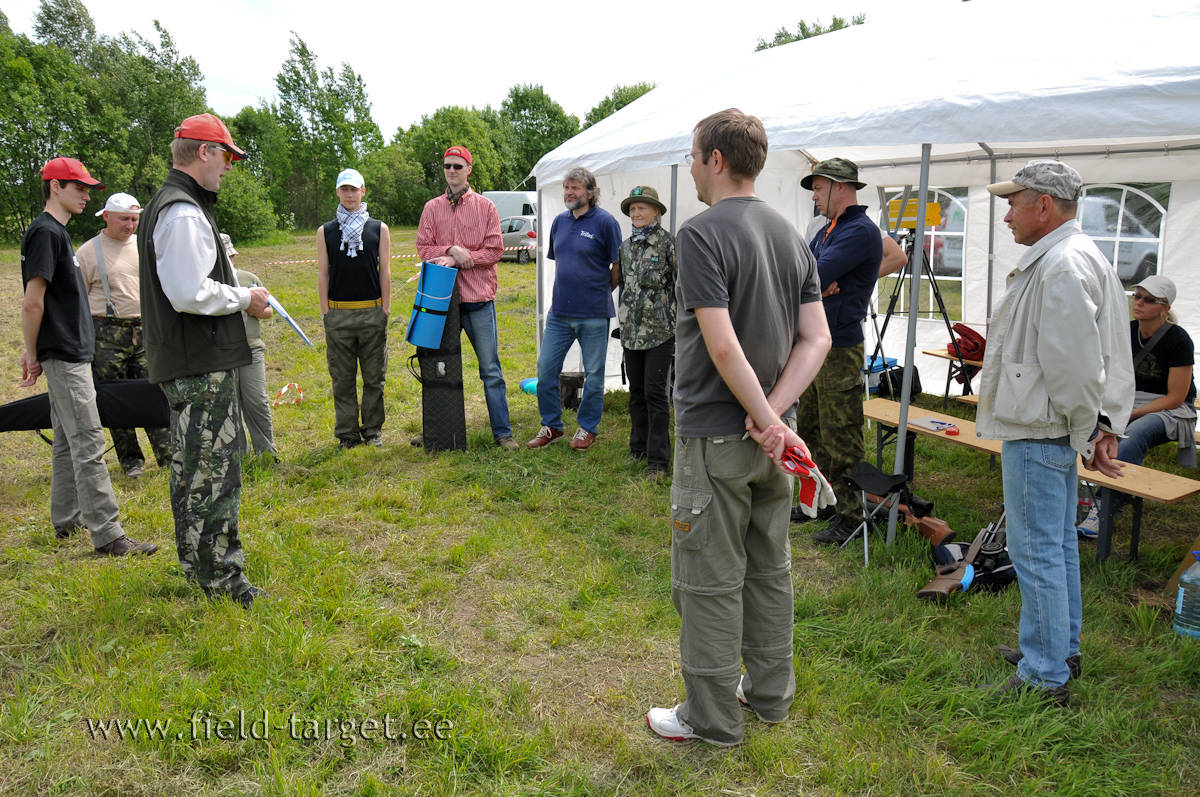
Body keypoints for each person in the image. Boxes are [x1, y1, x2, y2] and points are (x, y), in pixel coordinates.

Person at [645, 109, 831, 747]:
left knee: (709, 579)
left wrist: (764, 417)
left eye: (695, 157)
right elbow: (817, 339)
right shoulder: (792, 235)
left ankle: (712, 718)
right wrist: (777, 418)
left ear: (716, 159)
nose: (692, 169)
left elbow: (723, 349)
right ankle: (770, 694)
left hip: (721, 437)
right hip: (773, 442)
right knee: (769, 568)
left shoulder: (700, 235)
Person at [977, 160, 1132, 705]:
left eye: (1013, 203)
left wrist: (1086, 430)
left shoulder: (1061, 264)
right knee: (1058, 546)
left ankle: (1046, 676)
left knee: (1037, 551)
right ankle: (1059, 649)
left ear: (1043, 205)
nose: (1006, 217)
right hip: (1051, 423)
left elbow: (1074, 365)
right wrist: (1095, 427)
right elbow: (1097, 359)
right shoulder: (1074, 255)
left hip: (1041, 426)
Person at [138, 113, 273, 607]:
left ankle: (198, 567)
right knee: (214, 472)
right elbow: (188, 291)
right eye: (227, 157)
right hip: (200, 363)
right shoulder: (183, 212)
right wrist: (244, 297)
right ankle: (222, 579)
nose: (229, 169)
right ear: (203, 153)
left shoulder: (169, 205)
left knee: (192, 468)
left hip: (188, 360)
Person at [21, 157, 156, 556]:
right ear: (54, 187)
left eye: (87, 188)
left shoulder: (56, 233)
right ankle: (109, 534)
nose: (85, 194)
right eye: (77, 187)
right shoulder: (46, 233)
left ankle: (67, 520)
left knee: (66, 439)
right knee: (88, 440)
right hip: (63, 351)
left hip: (70, 350)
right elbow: (32, 303)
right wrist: (31, 354)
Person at [795, 158, 883, 545]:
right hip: (816, 344)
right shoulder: (828, 230)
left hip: (840, 345)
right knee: (813, 427)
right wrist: (815, 283)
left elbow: (808, 276)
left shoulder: (859, 230)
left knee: (842, 435)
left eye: (818, 188)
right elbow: (804, 272)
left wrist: (815, 282)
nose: (814, 196)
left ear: (840, 187)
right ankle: (826, 501)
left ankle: (853, 515)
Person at [1077, 274, 1195, 537]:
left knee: (1133, 435)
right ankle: (1075, 497)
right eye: (1137, 295)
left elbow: (1176, 397)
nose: (1139, 302)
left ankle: (1105, 509)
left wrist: (1128, 414)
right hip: (1127, 400)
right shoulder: (1125, 331)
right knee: (1081, 428)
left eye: (1149, 299)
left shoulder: (1178, 339)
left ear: (1165, 309)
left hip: (1169, 409)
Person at [415, 146, 515, 450]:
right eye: (447, 166)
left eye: (458, 166)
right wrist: (448, 251)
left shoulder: (486, 207)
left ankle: (503, 433)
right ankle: (436, 430)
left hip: (478, 300)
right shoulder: (432, 208)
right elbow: (423, 247)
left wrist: (463, 256)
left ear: (469, 169)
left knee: (490, 370)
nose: (452, 171)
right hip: (441, 302)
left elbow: (495, 250)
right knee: (436, 365)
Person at [75, 191, 170, 479]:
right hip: (106, 333)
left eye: (134, 219)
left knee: (153, 393)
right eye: (123, 219)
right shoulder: (88, 252)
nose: (130, 225)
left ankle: (167, 455)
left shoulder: (145, 246)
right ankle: (131, 461)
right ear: (106, 216)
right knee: (115, 399)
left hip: (144, 330)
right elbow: (76, 300)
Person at [526, 167, 622, 451]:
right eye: (567, 188)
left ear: (590, 193)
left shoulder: (606, 222)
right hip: (559, 314)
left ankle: (587, 429)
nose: (569, 192)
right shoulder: (558, 222)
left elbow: (617, 267)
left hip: (593, 313)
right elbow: (562, 263)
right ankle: (553, 426)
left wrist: (600, 292)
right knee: (546, 369)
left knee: (594, 373)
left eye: (575, 188)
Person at [317, 168, 392, 449]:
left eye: (354, 189)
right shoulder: (325, 231)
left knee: (375, 377)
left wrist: (385, 309)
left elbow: (384, 271)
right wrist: (326, 312)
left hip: (372, 313)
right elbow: (323, 274)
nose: (349, 194)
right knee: (342, 378)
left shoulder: (378, 228)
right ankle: (347, 434)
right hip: (338, 315)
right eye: (344, 189)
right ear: (337, 192)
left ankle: (372, 430)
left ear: (363, 191)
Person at [617, 185, 677, 482]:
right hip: (631, 333)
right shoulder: (626, 247)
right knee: (636, 393)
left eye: (642, 207)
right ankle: (637, 449)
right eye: (632, 208)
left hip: (660, 333)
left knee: (656, 395)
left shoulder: (669, 244)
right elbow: (625, 289)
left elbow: (681, 287)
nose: (636, 213)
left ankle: (658, 462)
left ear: (656, 211)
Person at [224, 234, 278, 460]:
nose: (226, 260)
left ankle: (267, 453)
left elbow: (270, 311)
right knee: (229, 405)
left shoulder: (249, 278)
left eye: (228, 256)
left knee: (256, 400)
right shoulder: (208, 285)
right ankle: (238, 457)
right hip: (222, 352)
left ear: (233, 255)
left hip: (251, 348)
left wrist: (250, 307)